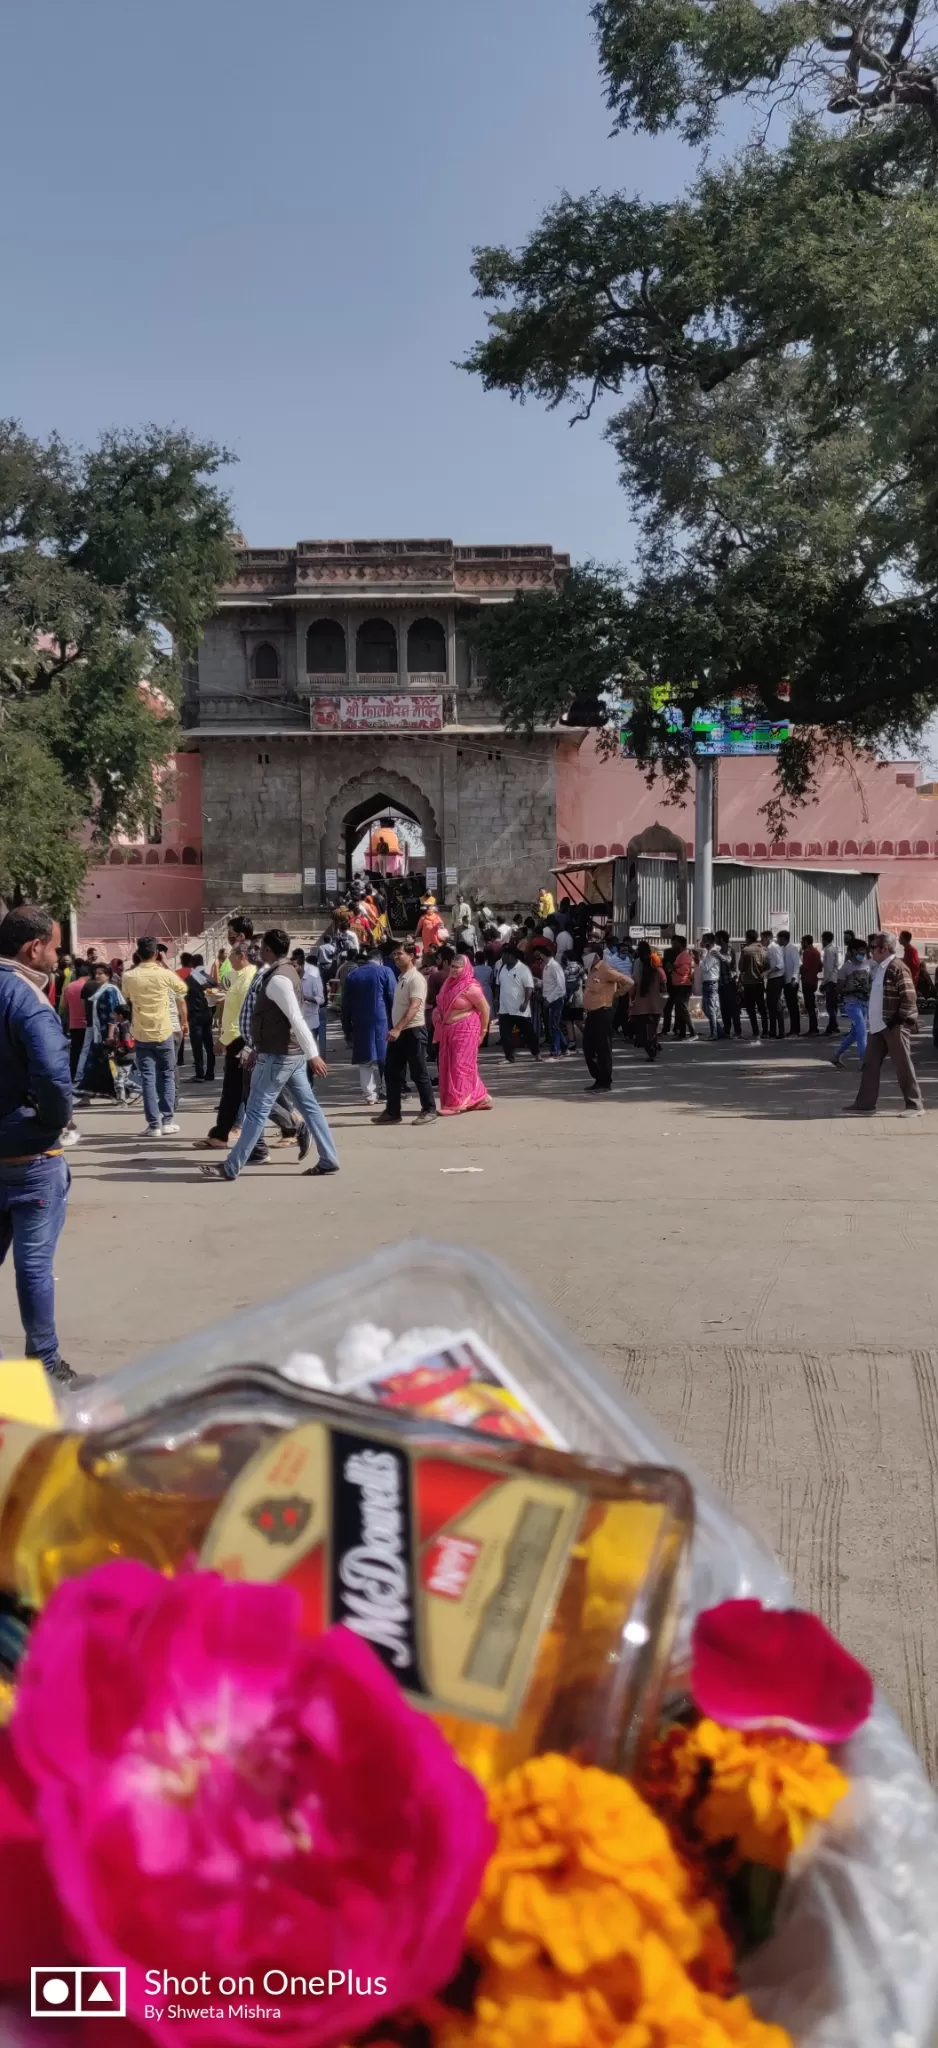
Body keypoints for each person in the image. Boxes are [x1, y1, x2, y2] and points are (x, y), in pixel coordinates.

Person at [0, 905, 80, 1386]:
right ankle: (45, 1364)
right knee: (33, 1266)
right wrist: (51, 1123)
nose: (58, 954)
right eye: (54, 946)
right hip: (30, 1157)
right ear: (34, 947)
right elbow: (53, 1076)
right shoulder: (26, 999)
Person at [201, 929, 340, 1180]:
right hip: (284, 1053)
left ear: (268, 950)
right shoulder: (277, 973)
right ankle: (329, 1158)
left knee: (256, 1110)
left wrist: (314, 1055)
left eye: (260, 947)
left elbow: (295, 1019)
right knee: (309, 1108)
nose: (256, 951)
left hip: (279, 1056)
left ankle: (231, 1167)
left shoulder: (278, 978)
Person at [842, 930, 924, 1117]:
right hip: (878, 1027)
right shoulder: (880, 967)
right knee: (870, 1065)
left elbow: (909, 997)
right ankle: (865, 1104)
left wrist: (899, 1019)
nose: (870, 952)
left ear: (884, 949)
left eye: (874, 948)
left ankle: (914, 1105)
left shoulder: (897, 967)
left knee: (903, 1065)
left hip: (893, 1026)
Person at [121, 937, 188, 1137]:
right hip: (164, 1030)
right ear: (156, 953)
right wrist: (167, 967)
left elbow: (127, 997)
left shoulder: (129, 976)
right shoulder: (164, 974)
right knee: (167, 1074)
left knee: (148, 1078)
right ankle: (167, 1120)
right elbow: (182, 989)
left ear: (138, 953)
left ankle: (153, 1125)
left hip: (141, 1032)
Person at [196, 941, 257, 1149]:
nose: (228, 957)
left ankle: (292, 1123)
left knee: (247, 1090)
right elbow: (226, 986)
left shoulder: (249, 978)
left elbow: (242, 1016)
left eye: (232, 954)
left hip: (240, 1039)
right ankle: (221, 1133)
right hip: (234, 1037)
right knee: (235, 1089)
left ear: (242, 956)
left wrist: (222, 1040)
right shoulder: (238, 976)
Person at [372, 937, 437, 1125]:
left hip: (412, 1030)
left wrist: (398, 1028)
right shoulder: (401, 977)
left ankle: (429, 1109)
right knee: (392, 1072)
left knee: (419, 1073)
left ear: (411, 956)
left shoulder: (415, 979)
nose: (395, 957)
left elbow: (415, 1006)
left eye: (399, 954)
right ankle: (393, 1111)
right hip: (399, 1032)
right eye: (394, 954)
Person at [432, 951, 493, 1115]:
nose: (453, 970)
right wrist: (437, 1013)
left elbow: (485, 1009)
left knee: (460, 1066)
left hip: (466, 1030)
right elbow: (441, 1004)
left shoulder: (471, 987)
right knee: (450, 1066)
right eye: (452, 966)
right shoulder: (448, 984)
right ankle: (481, 1097)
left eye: (457, 968)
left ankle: (456, 1103)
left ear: (465, 969)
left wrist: (484, 1031)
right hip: (449, 1030)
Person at [341, 943, 396, 1104]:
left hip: (360, 1021)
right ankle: (387, 1089)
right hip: (383, 1019)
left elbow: (346, 1004)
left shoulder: (353, 975)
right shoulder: (385, 971)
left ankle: (370, 1095)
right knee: (386, 1057)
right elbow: (392, 997)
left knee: (365, 1060)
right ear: (380, 960)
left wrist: (347, 1027)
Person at [582, 948, 634, 1091]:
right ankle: (598, 1078)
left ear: (596, 956)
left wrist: (615, 995)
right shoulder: (591, 970)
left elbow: (628, 981)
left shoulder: (605, 969)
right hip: (592, 1013)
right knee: (588, 1048)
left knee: (603, 1048)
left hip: (603, 1012)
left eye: (587, 953)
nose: (585, 955)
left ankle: (605, 1082)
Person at [494, 945, 539, 1063]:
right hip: (505, 1008)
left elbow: (529, 987)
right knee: (505, 1035)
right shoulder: (502, 968)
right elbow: (498, 985)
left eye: (504, 955)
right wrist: (497, 999)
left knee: (528, 1033)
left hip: (520, 1009)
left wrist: (525, 1002)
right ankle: (509, 1057)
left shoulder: (523, 969)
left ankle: (536, 1054)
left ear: (511, 956)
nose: (502, 958)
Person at [831, 939, 871, 1068]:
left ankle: (836, 1055)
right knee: (862, 1028)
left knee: (856, 1032)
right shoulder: (845, 968)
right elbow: (839, 990)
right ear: (854, 951)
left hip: (864, 1002)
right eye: (861, 950)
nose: (863, 953)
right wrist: (855, 989)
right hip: (851, 1003)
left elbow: (870, 982)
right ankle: (865, 1060)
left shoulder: (867, 965)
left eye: (865, 950)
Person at [629, 943, 666, 1061]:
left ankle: (652, 1050)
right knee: (652, 1029)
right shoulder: (656, 965)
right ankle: (654, 1048)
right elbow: (663, 981)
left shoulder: (637, 963)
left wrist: (630, 999)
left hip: (641, 1004)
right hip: (655, 1004)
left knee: (643, 1029)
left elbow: (634, 982)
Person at [184, 955, 216, 1081]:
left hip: (195, 1015)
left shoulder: (190, 979)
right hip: (207, 1012)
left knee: (197, 1045)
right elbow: (216, 986)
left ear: (192, 964)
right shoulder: (207, 977)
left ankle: (199, 1073)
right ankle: (210, 1072)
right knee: (209, 1045)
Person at [61, 959, 91, 1076]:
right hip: (86, 1023)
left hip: (73, 1023)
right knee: (87, 1051)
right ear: (87, 975)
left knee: (75, 1050)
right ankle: (83, 1075)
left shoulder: (69, 987)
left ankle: (72, 1072)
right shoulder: (87, 986)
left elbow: (64, 1006)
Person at [738, 930, 768, 1041]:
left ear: (748, 938)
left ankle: (756, 1032)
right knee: (762, 1008)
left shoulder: (746, 950)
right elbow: (767, 965)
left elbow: (741, 967)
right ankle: (765, 1031)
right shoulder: (763, 950)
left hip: (749, 983)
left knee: (751, 1009)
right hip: (760, 982)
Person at [540, 948, 568, 1058]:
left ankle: (555, 1050)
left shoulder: (554, 966)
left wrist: (549, 999)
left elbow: (561, 986)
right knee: (553, 1026)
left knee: (554, 1026)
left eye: (540, 955)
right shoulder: (547, 967)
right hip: (549, 999)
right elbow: (549, 983)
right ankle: (564, 1047)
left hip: (556, 1000)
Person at [716, 933, 742, 1040]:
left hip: (730, 983)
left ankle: (737, 1031)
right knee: (724, 1009)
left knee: (734, 1009)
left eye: (717, 938)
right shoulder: (718, 951)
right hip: (721, 983)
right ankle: (726, 1030)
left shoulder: (730, 950)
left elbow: (733, 967)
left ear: (721, 939)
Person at [669, 936, 695, 1041]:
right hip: (678, 985)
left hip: (683, 985)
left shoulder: (684, 955)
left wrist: (673, 968)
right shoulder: (681, 955)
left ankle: (693, 1032)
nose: (673, 946)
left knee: (683, 1010)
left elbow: (684, 971)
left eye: (675, 944)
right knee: (679, 1010)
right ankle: (682, 1033)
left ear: (681, 945)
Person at [699, 934, 723, 1040]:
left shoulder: (713, 953)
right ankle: (719, 1031)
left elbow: (705, 968)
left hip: (711, 983)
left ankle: (714, 1033)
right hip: (707, 983)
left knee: (710, 1009)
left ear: (708, 942)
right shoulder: (709, 953)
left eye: (704, 940)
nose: (702, 943)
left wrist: (698, 959)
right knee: (706, 1008)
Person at [779, 931, 801, 1036]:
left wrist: (794, 978)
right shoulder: (783, 949)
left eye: (779, 938)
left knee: (793, 1006)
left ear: (783, 938)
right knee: (790, 1005)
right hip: (786, 980)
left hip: (792, 981)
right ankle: (793, 1029)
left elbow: (797, 964)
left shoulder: (793, 948)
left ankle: (795, 1030)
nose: (778, 940)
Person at [800, 934, 823, 1035]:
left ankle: (813, 1029)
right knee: (811, 1005)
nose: (801, 944)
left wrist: (801, 970)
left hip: (807, 980)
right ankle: (814, 1027)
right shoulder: (817, 952)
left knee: (809, 1006)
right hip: (814, 980)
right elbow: (820, 967)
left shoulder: (807, 952)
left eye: (802, 942)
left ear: (805, 942)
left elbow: (804, 967)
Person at [765, 930, 786, 1039]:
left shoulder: (774, 948)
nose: (762, 941)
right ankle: (772, 1031)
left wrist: (769, 971)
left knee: (777, 1005)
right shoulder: (769, 949)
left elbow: (780, 964)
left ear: (768, 938)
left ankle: (781, 1031)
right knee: (770, 1005)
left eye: (763, 939)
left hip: (777, 978)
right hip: (772, 978)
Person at [820, 931, 841, 1035]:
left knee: (830, 1006)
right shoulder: (834, 949)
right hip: (834, 979)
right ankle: (834, 1025)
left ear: (825, 939)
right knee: (833, 1005)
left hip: (830, 980)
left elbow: (828, 968)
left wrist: (824, 982)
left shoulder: (828, 950)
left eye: (822, 939)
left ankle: (832, 1027)